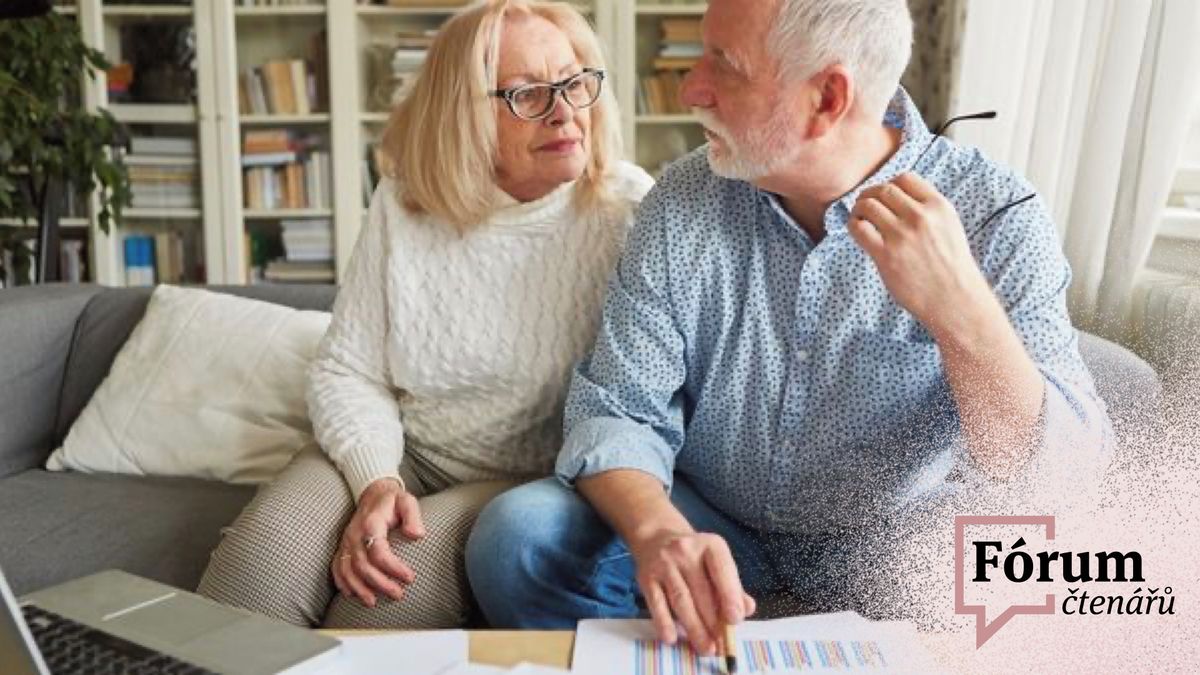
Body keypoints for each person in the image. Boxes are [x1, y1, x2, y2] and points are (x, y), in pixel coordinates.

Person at [466, 0, 1113, 655]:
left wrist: (961, 312)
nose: (692, 90)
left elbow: (1062, 476)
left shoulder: (996, 215)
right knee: (520, 538)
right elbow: (619, 409)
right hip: (711, 514)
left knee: (1020, 581)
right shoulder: (682, 200)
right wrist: (659, 531)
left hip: (893, 538)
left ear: (827, 97)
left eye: (725, 65)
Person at [197, 0, 653, 629]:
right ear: (463, 113)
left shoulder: (629, 209)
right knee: (255, 574)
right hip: (406, 452)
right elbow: (349, 370)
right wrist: (376, 481)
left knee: (374, 603)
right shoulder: (405, 201)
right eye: (526, 94)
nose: (565, 111)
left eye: (575, 82)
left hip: (526, 483)